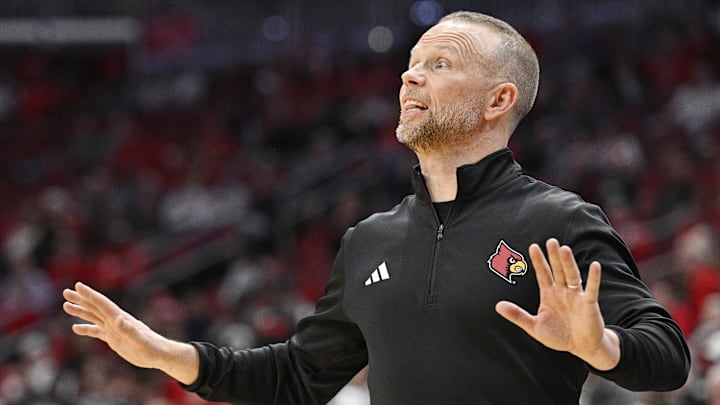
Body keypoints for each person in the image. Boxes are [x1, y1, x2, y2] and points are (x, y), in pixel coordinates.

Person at [62, 10, 691, 404]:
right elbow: (298, 377)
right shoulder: (369, 240)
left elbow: (667, 356)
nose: (409, 78)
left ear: (498, 100)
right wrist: (164, 352)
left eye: (438, 64)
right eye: (411, 65)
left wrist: (600, 345)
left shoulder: (560, 222)